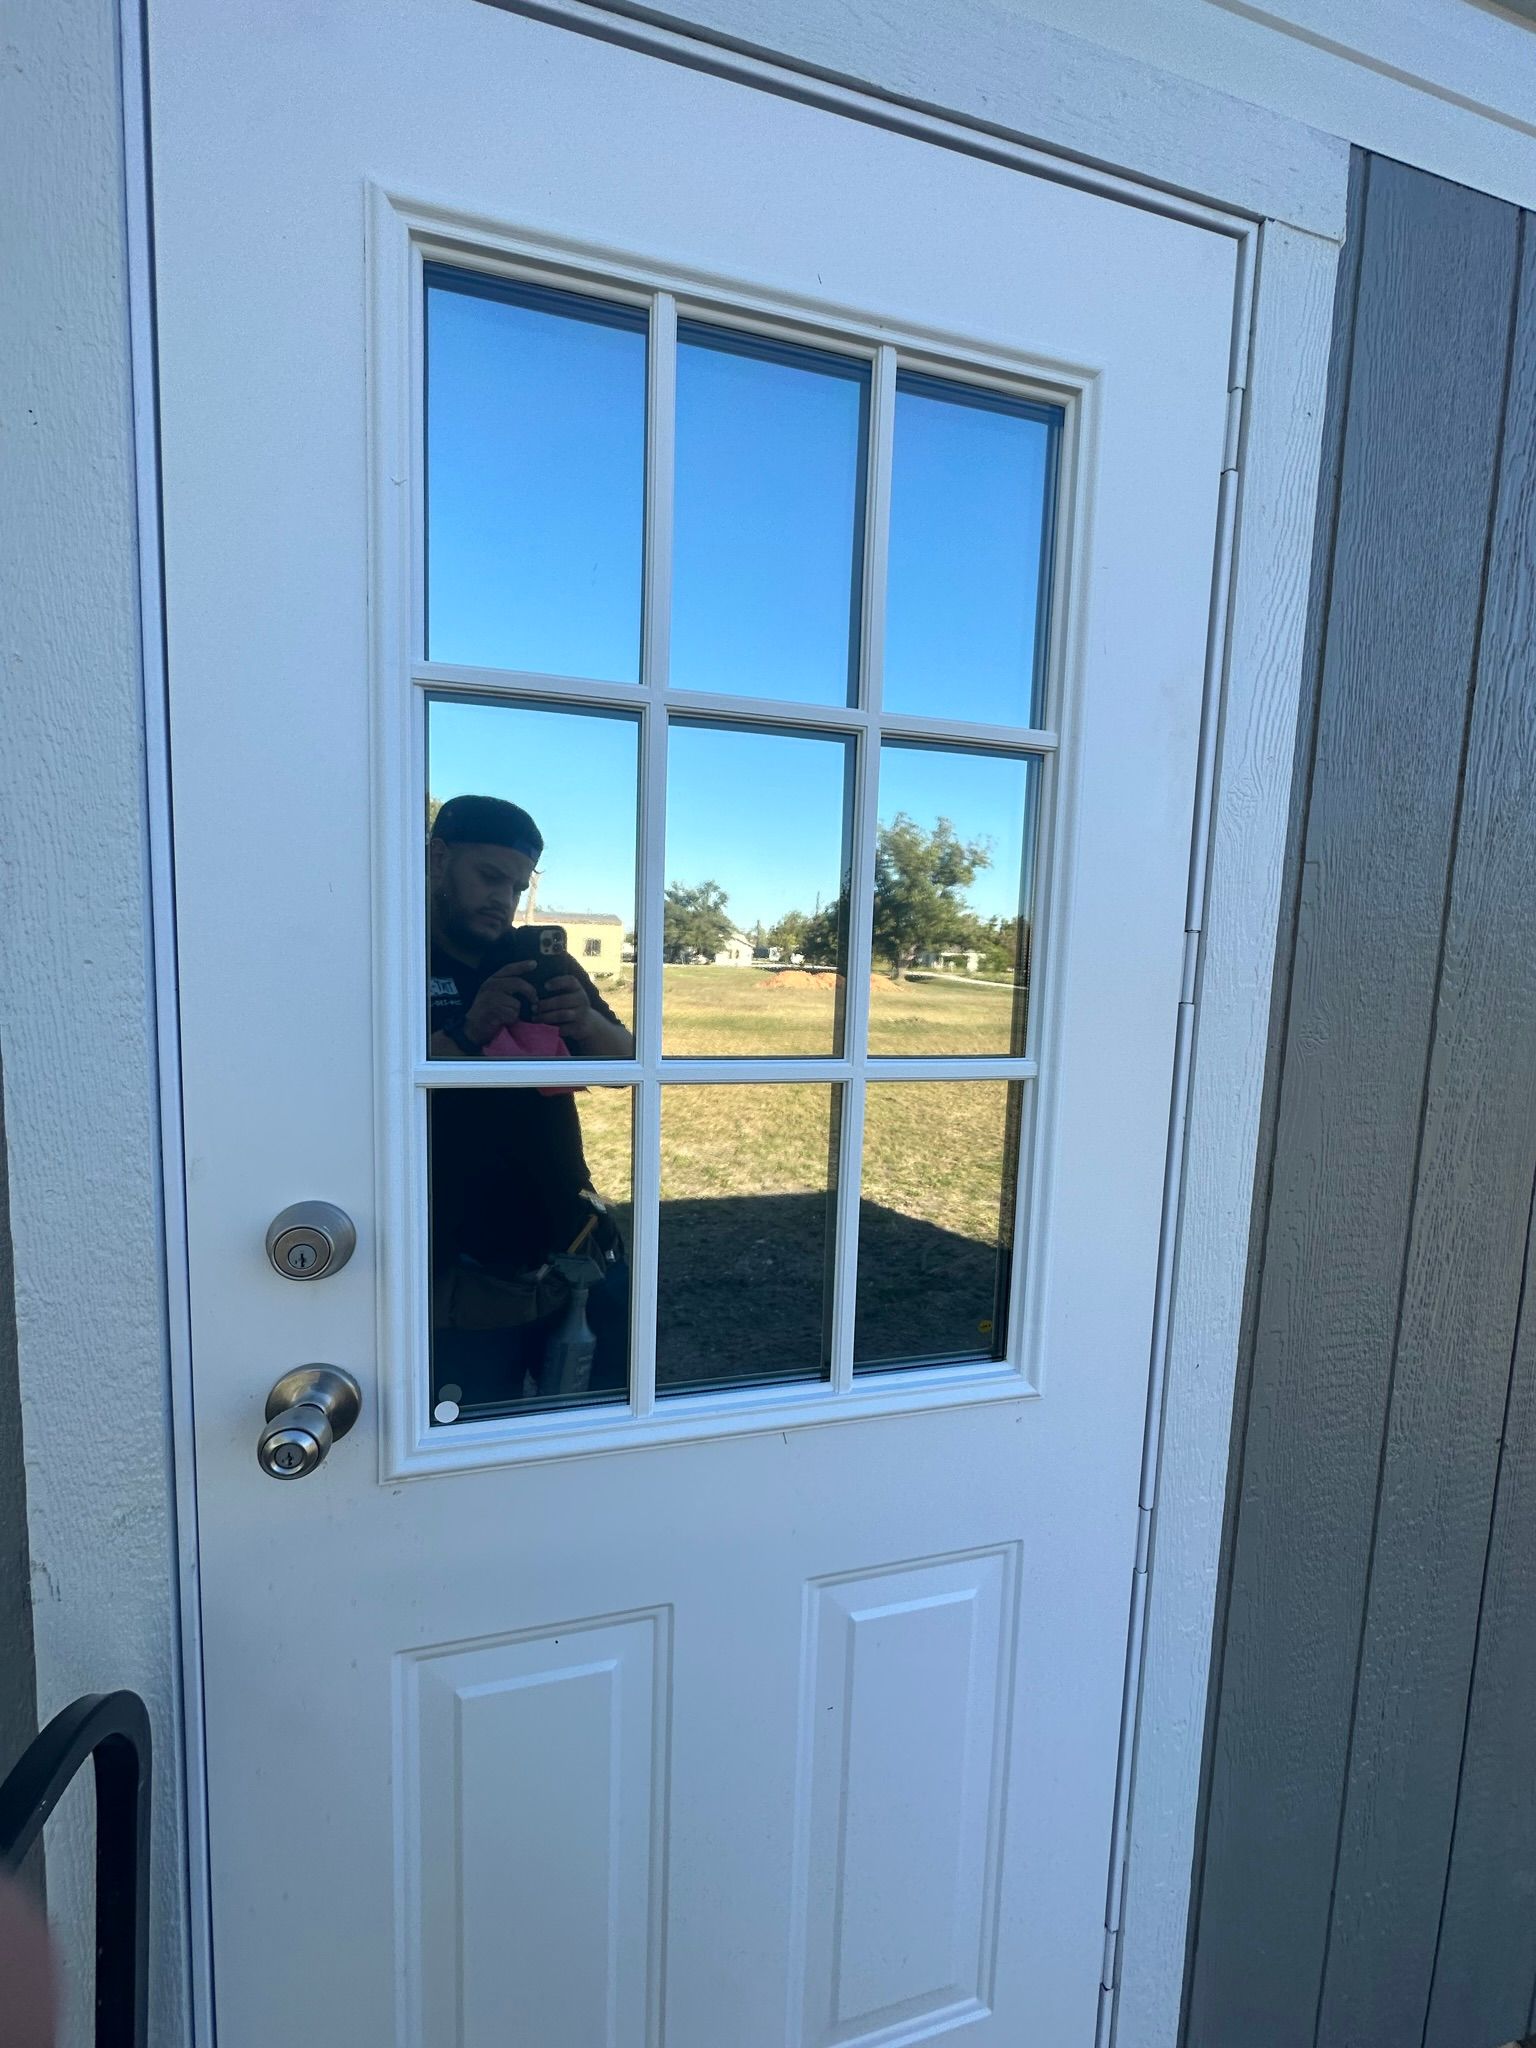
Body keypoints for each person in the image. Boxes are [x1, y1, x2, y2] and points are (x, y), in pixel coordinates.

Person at [427, 794, 632, 1411]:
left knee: (601, 1419)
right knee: (465, 1431)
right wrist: (470, 1029)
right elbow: (363, 1077)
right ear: (437, 859)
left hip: (569, 1240)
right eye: (489, 877)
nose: (503, 900)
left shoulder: (536, 955)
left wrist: (584, 1023)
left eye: (517, 887)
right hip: (454, 1262)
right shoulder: (396, 952)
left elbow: (628, 1064)